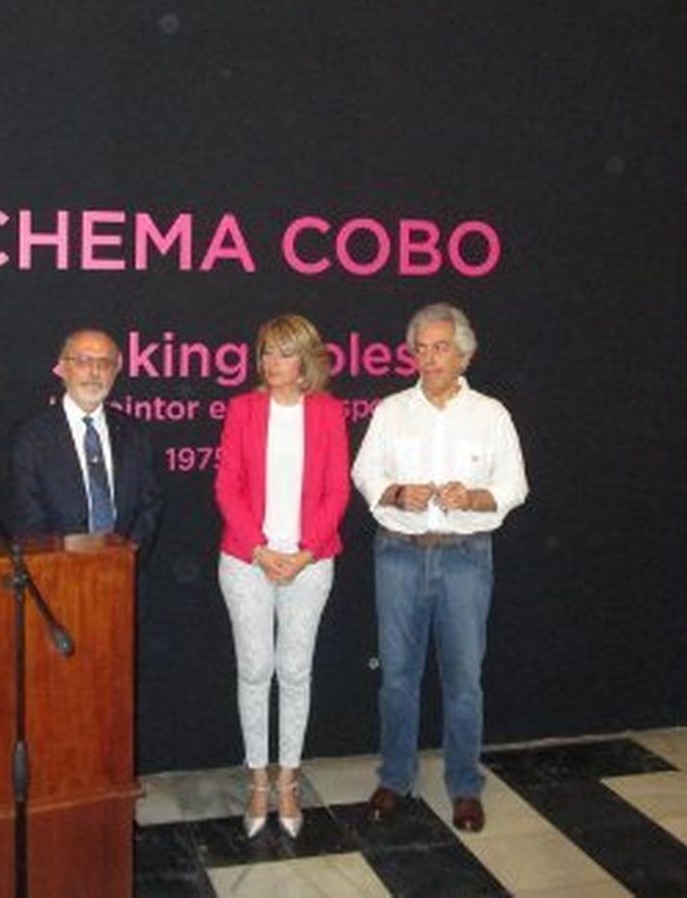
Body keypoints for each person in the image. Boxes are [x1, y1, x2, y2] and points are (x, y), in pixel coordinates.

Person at [350, 302, 528, 834]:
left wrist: (473, 497)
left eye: (440, 348)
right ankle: (395, 777)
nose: (428, 358)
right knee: (398, 679)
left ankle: (465, 786)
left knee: (464, 681)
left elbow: (514, 486)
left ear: (465, 353)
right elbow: (364, 472)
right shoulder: (391, 410)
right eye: (421, 349)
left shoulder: (492, 414)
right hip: (399, 553)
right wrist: (398, 492)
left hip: (465, 559)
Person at [213, 314, 349, 840]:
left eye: (284, 353)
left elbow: (337, 490)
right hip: (247, 561)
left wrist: (305, 550)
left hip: (310, 562)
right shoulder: (242, 409)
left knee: (294, 670)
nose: (272, 363)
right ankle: (257, 780)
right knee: (255, 669)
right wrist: (260, 548)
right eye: (266, 352)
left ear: (306, 361)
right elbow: (227, 487)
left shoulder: (329, 412)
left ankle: (288, 778)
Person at [8, 327, 163, 550]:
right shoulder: (32, 436)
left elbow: (150, 505)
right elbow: (28, 516)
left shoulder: (136, 434)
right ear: (62, 368)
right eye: (83, 361)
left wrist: (127, 556)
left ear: (116, 370)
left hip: (122, 570)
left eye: (105, 363)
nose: (94, 371)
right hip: (56, 572)